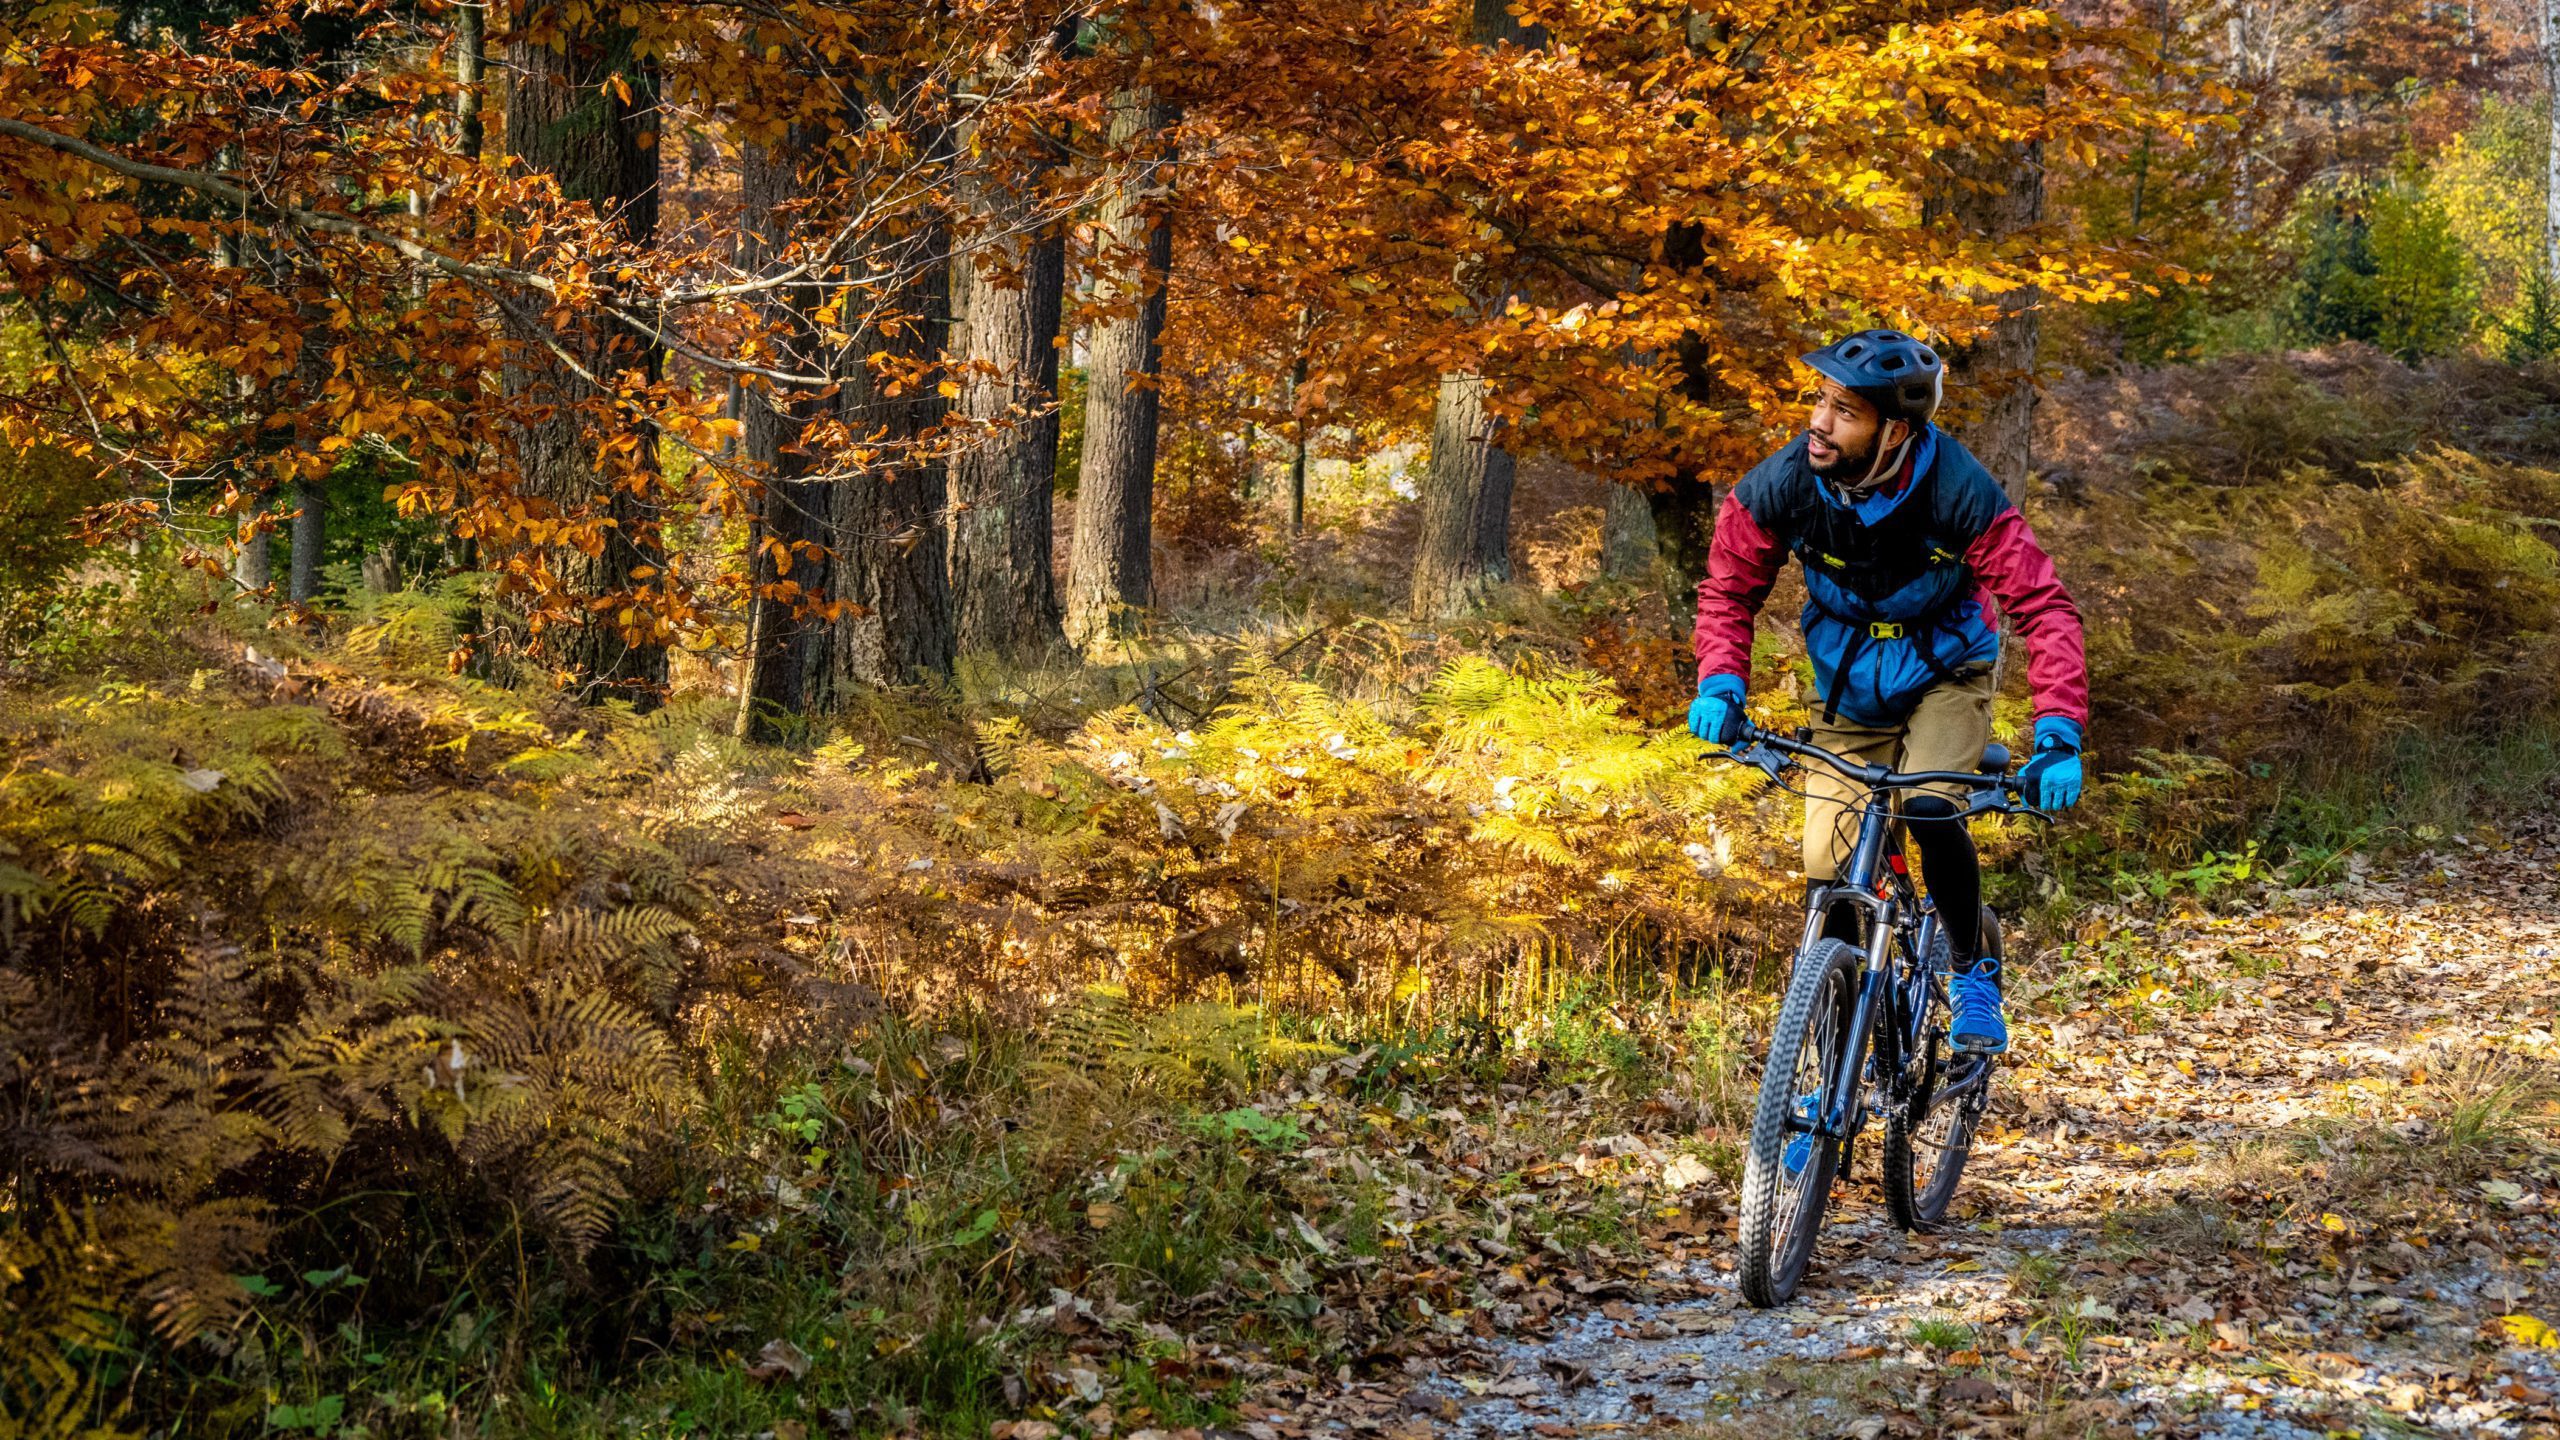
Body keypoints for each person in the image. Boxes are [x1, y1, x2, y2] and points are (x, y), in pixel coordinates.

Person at [1685, 329, 2088, 1054]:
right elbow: (1727, 591)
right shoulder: (1783, 484)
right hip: (1848, 688)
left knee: (1931, 807)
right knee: (1828, 876)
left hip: (1945, 673)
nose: (1818, 420)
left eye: (1844, 410)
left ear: (1894, 429)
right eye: (1820, 400)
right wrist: (1721, 680)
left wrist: (2058, 733)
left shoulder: (1957, 488)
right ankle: (1829, 1071)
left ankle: (1972, 968)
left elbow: (2044, 607)